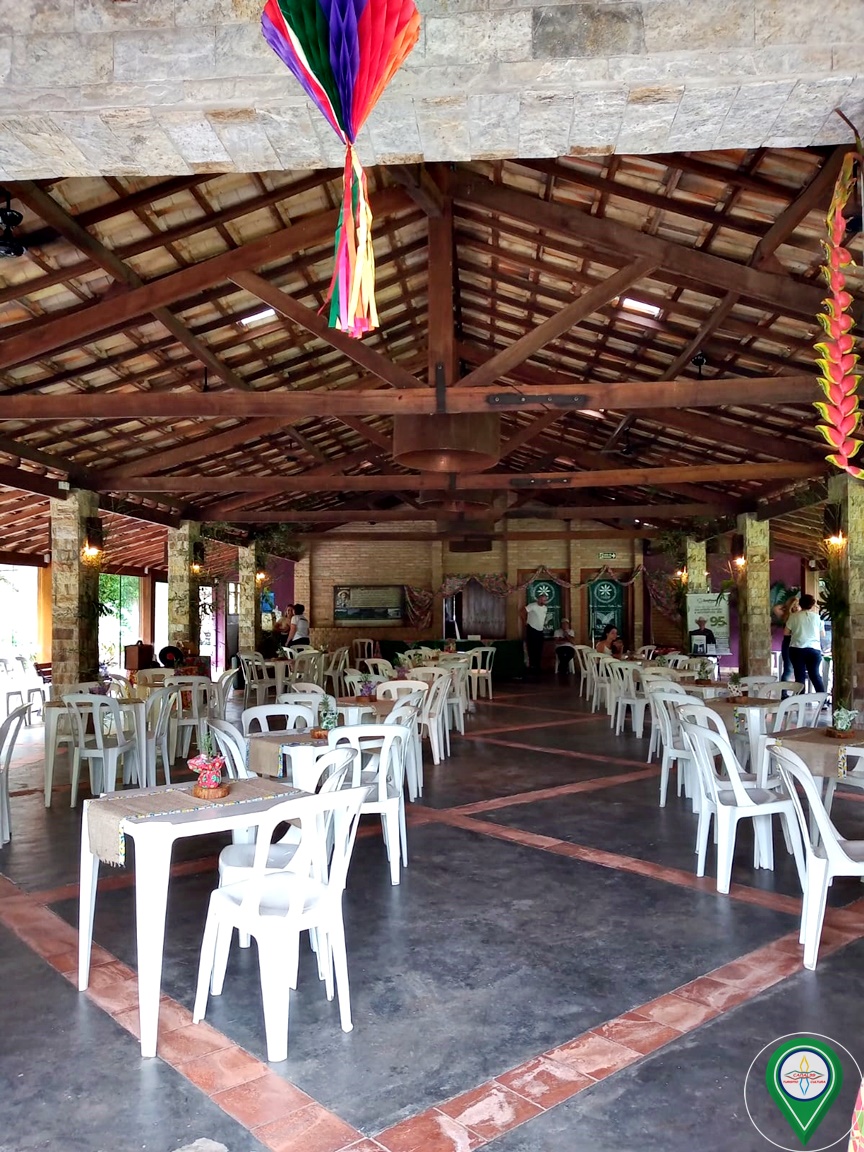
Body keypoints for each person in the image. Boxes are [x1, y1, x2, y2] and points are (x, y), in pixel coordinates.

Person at [785, 593, 825, 692]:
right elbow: (822, 634)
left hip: (797, 649)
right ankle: (822, 698)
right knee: (815, 675)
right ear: (812, 605)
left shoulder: (794, 617)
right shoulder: (817, 617)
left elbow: (786, 633)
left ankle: (801, 699)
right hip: (814, 649)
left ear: (800, 604)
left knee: (799, 677)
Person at [521, 593, 548, 676]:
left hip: (540, 630)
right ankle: (532, 667)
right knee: (532, 648)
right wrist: (525, 622)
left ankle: (537, 666)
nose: (543, 601)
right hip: (532, 629)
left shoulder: (545, 608)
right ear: (538, 599)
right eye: (542, 599)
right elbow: (522, 611)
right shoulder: (532, 605)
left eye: (545, 600)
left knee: (539, 649)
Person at [778, 594, 799, 681]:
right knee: (788, 669)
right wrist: (788, 606)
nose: (796, 607)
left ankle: (798, 688)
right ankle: (783, 689)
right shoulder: (787, 616)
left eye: (798, 605)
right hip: (788, 643)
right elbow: (776, 608)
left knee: (798, 669)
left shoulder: (801, 616)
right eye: (794, 605)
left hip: (798, 643)